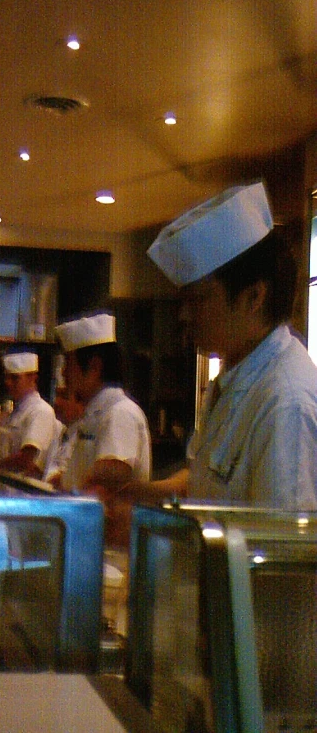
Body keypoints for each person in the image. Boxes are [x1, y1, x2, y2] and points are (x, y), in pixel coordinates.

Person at [96, 182, 317, 534]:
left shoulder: (284, 402)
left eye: (197, 300)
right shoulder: (237, 378)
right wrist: (143, 495)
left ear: (253, 296)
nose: (184, 315)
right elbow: (208, 484)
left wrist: (144, 528)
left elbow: (278, 551)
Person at [53, 312, 151, 504]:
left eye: (68, 363)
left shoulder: (121, 412)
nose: (63, 372)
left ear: (94, 367)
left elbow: (112, 477)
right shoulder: (93, 414)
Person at [0, 347, 57, 478]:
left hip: (24, 492)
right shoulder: (16, 412)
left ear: (33, 378)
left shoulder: (41, 411)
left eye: (15, 378)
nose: (8, 383)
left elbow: (25, 460)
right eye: (7, 378)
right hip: (7, 490)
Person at [42, 385, 84, 487]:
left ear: (81, 405)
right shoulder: (61, 431)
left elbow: (70, 479)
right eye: (57, 395)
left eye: (64, 397)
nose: (57, 402)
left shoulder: (83, 437)